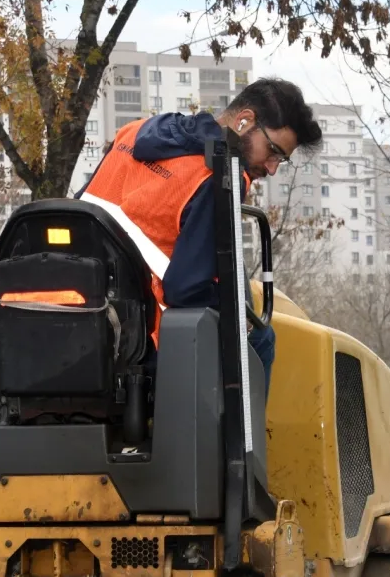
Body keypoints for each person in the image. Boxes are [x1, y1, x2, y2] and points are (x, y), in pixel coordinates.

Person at [79, 77, 323, 381]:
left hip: (74, 301)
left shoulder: (133, 133)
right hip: (134, 335)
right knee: (260, 339)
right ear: (245, 121)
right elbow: (185, 289)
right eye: (273, 151)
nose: (272, 168)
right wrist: (236, 310)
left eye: (281, 161)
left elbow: (81, 209)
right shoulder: (218, 173)